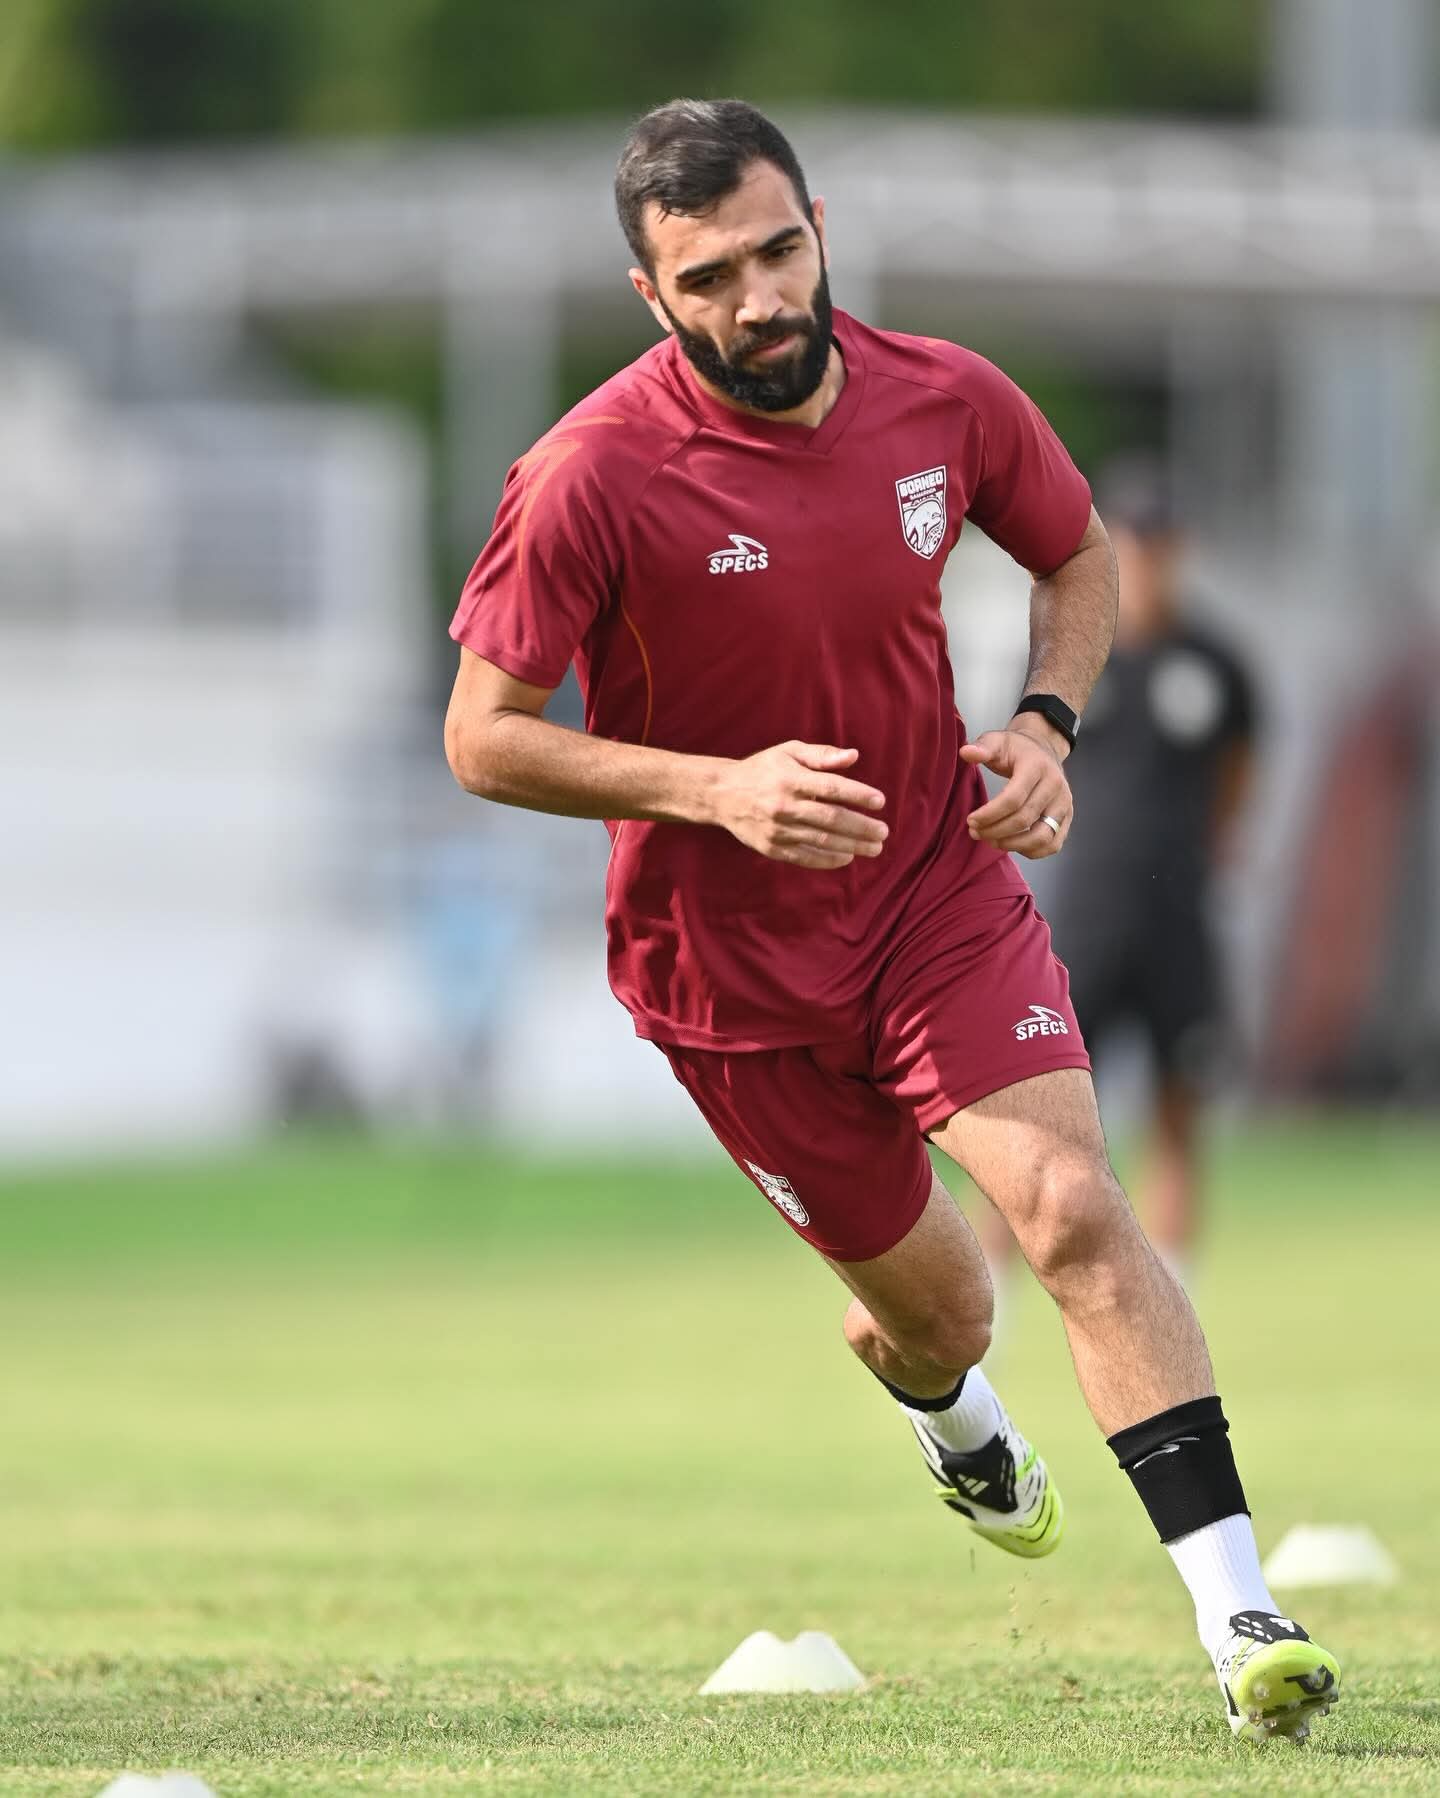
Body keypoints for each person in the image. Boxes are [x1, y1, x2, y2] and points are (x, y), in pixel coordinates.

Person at [443, 99, 1339, 1742]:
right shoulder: (586, 473)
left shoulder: (950, 398)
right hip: (727, 978)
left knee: (1068, 1205)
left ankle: (1242, 1614)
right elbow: (482, 736)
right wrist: (715, 789)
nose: (761, 298)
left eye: (779, 251)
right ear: (651, 295)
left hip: (934, 892)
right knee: (940, 1313)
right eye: (710, 279)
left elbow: (1078, 560)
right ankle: (951, 1414)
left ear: (821, 227)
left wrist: (1048, 722)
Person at [979, 455, 1258, 1291]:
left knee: (1178, 1113)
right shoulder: (1069, 661)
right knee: (1038, 1120)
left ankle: (1176, 1300)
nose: (1150, 561)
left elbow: (1240, 774)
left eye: (1162, 544)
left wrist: (1209, 852)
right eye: (1135, 545)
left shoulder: (1217, 663)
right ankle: (992, 1303)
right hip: (1083, 919)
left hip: (1179, 920)